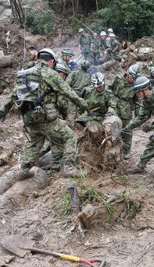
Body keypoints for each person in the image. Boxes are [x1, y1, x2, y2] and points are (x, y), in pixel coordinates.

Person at [0, 48, 88, 177]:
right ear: (51, 61)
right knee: (70, 137)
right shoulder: (49, 73)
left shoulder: (25, 74)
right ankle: (69, 168)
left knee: (34, 144)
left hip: (29, 119)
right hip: (46, 118)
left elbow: (13, 95)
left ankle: (24, 170)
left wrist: (3, 111)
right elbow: (67, 91)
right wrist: (84, 104)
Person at [109, 64, 141, 157]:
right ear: (127, 74)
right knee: (114, 129)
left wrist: (138, 116)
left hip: (126, 111)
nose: (133, 80)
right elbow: (109, 89)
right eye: (132, 78)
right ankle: (114, 149)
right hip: (114, 107)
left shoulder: (135, 87)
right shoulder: (118, 79)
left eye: (135, 78)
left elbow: (138, 102)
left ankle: (126, 151)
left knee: (127, 132)